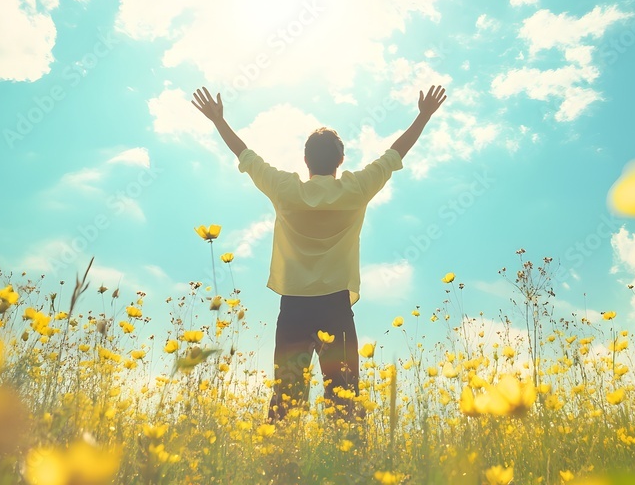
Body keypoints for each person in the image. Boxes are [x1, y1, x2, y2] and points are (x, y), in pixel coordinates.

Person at [190, 85, 447, 423]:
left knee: (287, 396)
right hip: (335, 307)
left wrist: (219, 121)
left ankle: (281, 468)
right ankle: (349, 469)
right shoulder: (355, 189)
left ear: (306, 160)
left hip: (294, 306)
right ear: (341, 161)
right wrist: (423, 115)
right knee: (344, 396)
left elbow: (246, 156)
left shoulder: (285, 189)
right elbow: (394, 154)